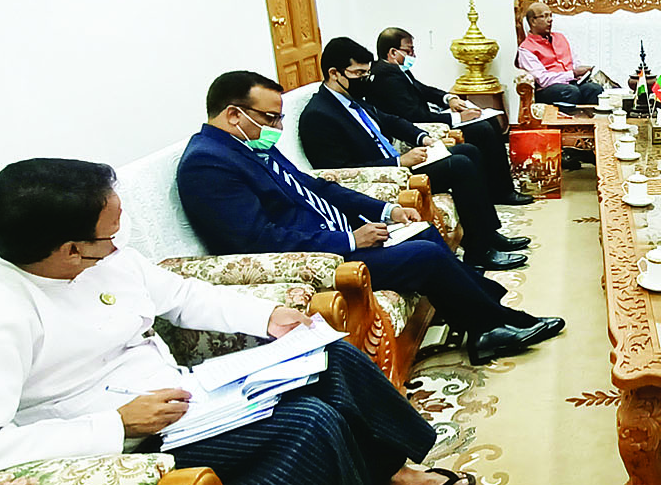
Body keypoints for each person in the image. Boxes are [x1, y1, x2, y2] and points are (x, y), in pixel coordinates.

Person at [0, 158, 477, 485]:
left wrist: (267, 316)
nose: (118, 245)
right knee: (309, 422)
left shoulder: (106, 260)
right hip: (131, 443)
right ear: (70, 249)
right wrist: (113, 426)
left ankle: (389, 476)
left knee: (331, 356)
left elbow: (183, 296)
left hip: (189, 394)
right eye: (108, 235)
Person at [176, 71, 564, 365]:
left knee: (422, 234)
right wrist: (349, 241)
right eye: (270, 118)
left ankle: (488, 323)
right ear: (233, 114)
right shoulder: (207, 165)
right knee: (425, 256)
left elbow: (315, 187)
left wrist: (386, 210)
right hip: (319, 259)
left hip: (336, 234)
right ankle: (494, 323)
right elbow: (257, 240)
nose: (277, 128)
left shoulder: (249, 145)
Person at [299, 36, 528, 271]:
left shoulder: (350, 98)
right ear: (334, 73)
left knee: (468, 151)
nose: (365, 80)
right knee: (460, 165)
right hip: (386, 176)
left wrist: (422, 137)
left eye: (366, 73)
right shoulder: (319, 116)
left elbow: (390, 121)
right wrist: (398, 162)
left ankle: (487, 234)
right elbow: (341, 169)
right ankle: (479, 252)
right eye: (358, 74)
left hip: (400, 164)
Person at [365, 26, 532, 206]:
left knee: (490, 121)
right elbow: (414, 115)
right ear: (393, 52)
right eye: (409, 50)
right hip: (417, 129)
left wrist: (449, 98)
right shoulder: (385, 77)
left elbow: (422, 89)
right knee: (483, 130)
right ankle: (501, 192)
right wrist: (458, 118)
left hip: (426, 119)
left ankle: (499, 186)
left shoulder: (395, 69)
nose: (413, 55)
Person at [515, 3, 605, 107]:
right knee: (570, 92)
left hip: (572, 83)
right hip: (548, 88)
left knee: (595, 89)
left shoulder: (561, 37)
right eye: (545, 16)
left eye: (550, 15)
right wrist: (572, 74)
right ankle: (566, 118)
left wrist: (582, 73)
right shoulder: (526, 49)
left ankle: (589, 118)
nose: (550, 20)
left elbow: (575, 62)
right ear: (533, 21)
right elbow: (543, 80)